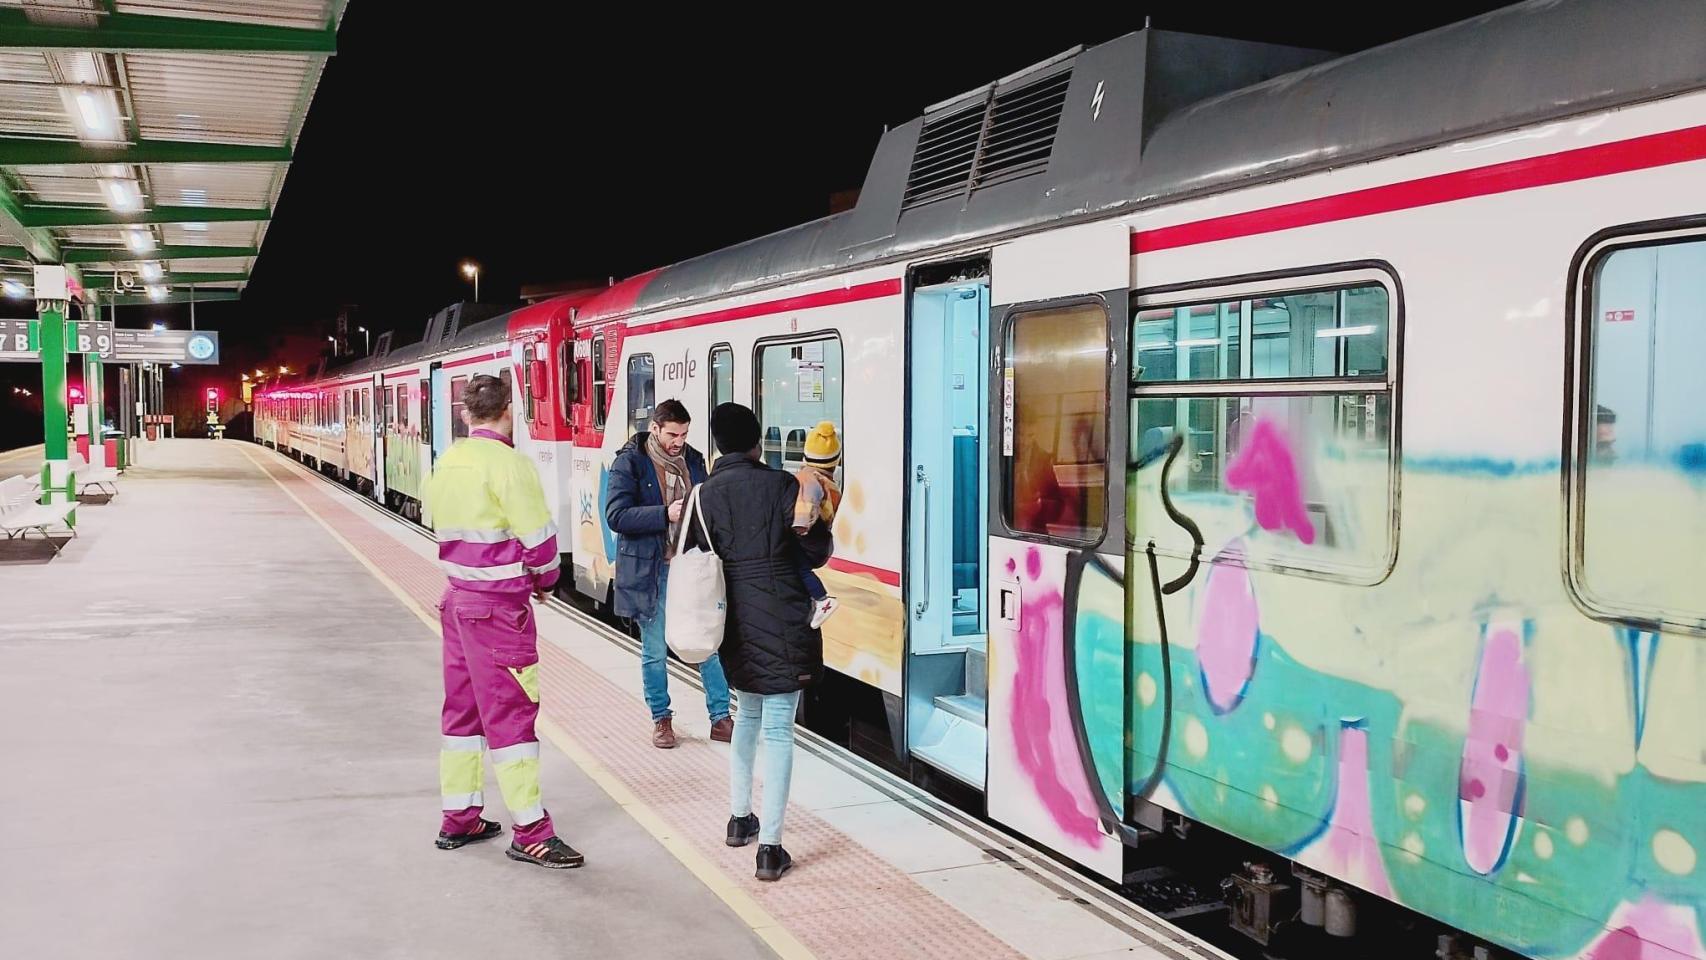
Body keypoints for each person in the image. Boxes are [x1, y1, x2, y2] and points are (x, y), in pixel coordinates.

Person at [422, 374, 582, 869]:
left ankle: (461, 816)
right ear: (509, 411)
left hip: (457, 601)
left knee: (462, 715)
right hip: (498, 611)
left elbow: (435, 518)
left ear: (466, 414)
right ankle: (531, 831)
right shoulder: (510, 466)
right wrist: (544, 581)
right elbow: (540, 545)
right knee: (512, 717)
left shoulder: (447, 461)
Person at [684, 403, 823, 882]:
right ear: (757, 442)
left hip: (734, 622)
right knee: (780, 728)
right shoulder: (785, 486)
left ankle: (740, 818)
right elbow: (816, 551)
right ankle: (770, 848)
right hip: (784, 616)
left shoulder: (702, 495)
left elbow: (701, 558)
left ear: (718, 444)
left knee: (747, 715)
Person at [606, 398, 733, 749]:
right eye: (673, 434)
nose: (679, 441)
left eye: (685, 434)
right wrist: (665, 514)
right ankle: (661, 719)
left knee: (705, 642)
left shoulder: (693, 460)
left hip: (688, 568)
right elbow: (616, 515)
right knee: (655, 650)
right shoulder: (630, 462)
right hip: (651, 570)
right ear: (656, 428)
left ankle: (720, 718)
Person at [793, 421, 842, 628]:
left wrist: (797, 528)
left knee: (797, 565)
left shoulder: (808, 478)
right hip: (822, 542)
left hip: (809, 539)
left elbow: (805, 509)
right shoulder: (831, 484)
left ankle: (822, 599)